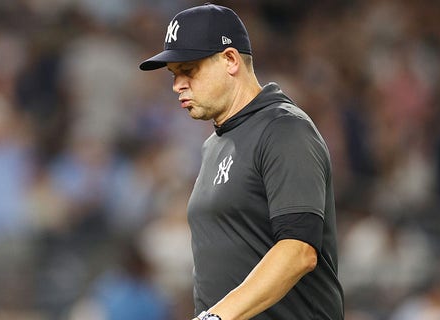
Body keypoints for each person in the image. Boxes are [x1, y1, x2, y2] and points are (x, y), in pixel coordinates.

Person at [139, 4, 344, 320]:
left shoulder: (284, 129)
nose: (177, 85)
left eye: (188, 70)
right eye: (174, 74)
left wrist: (216, 317)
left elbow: (299, 250)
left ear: (230, 60)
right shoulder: (214, 145)